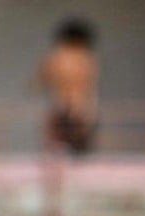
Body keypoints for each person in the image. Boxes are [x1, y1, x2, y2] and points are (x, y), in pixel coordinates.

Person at [37, 17, 99, 155]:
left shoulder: (57, 57)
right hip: (81, 109)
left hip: (60, 107)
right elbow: (91, 88)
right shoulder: (87, 58)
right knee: (79, 154)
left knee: (56, 153)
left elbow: (42, 81)